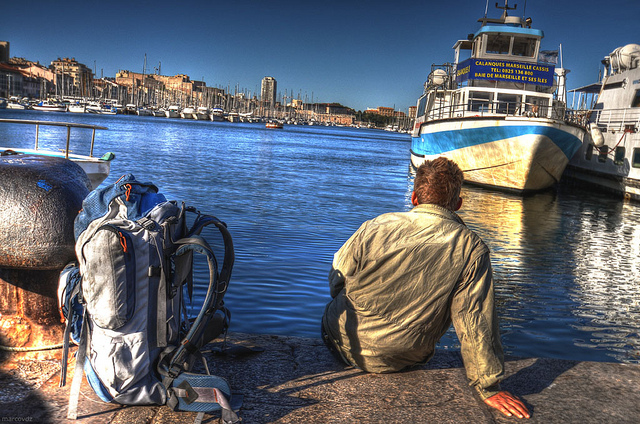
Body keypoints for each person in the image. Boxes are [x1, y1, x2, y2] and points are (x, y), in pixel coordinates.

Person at [321, 157, 530, 419]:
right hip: (403, 357)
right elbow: (474, 321)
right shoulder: (471, 249)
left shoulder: (376, 225)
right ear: (458, 205)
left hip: (340, 341)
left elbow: (336, 280)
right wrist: (488, 387)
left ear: (414, 198)